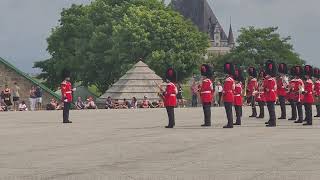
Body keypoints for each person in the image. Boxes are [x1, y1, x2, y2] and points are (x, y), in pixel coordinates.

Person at [264, 60, 277, 127]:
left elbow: (269, 88)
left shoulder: (271, 80)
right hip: (269, 96)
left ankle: (273, 122)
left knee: (271, 110)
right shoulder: (269, 79)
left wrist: (266, 89)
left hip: (271, 96)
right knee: (270, 110)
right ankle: (271, 121)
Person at [222, 63, 235, 128]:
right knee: (229, 110)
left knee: (228, 111)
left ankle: (230, 124)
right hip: (231, 95)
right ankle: (230, 123)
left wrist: (223, 95)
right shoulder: (232, 80)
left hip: (227, 96)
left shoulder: (227, 80)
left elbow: (225, 90)